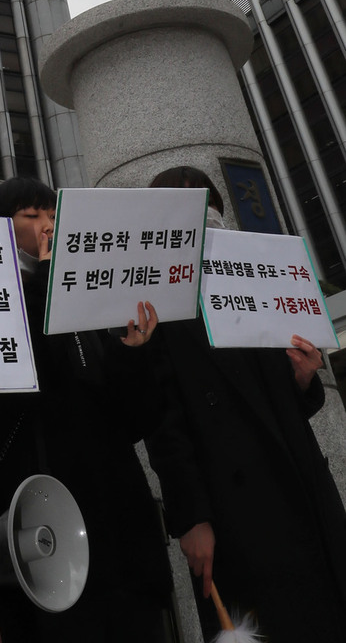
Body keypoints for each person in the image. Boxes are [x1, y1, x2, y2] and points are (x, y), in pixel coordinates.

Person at [0, 176, 173, 642]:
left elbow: (137, 419)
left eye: (53, 215)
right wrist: (55, 280)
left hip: (111, 506)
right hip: (37, 508)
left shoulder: (98, 297)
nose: (48, 226)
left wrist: (134, 352)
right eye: (31, 216)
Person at [143, 165, 346, 642]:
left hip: (299, 480)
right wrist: (191, 515)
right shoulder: (155, 300)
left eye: (207, 203)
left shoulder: (262, 275)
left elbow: (284, 395)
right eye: (183, 205)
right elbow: (162, 420)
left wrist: (301, 376)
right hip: (229, 506)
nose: (202, 217)